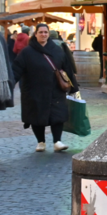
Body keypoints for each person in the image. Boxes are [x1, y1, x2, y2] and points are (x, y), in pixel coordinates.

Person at [13, 24, 79, 152]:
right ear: (35, 34)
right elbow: (16, 70)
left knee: (58, 114)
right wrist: (9, 85)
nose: (43, 34)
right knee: (36, 116)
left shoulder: (57, 50)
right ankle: (41, 142)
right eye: (41, 32)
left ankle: (57, 141)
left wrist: (74, 88)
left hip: (55, 89)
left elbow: (67, 69)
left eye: (45, 32)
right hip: (33, 90)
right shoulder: (27, 52)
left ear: (48, 34)